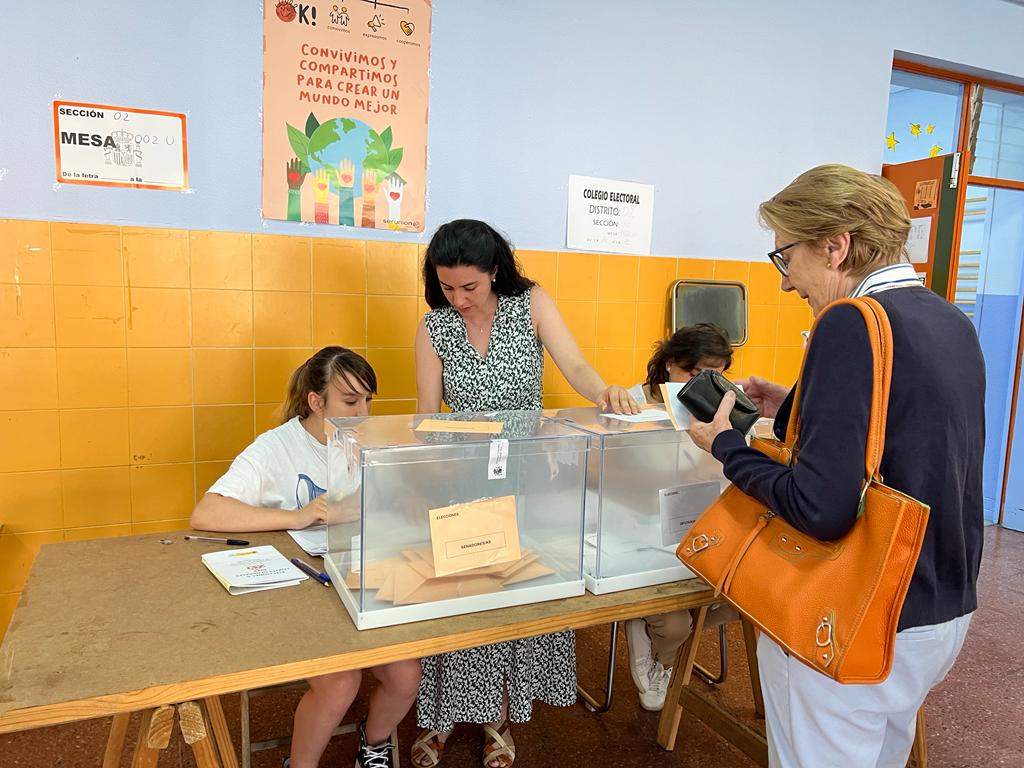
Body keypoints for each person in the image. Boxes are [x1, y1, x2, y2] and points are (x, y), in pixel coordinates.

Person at [687, 164, 984, 768]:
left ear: (835, 245)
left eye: (784, 258)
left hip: (854, 613)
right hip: (938, 607)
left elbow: (820, 507)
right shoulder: (948, 320)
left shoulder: (847, 323)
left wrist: (727, 448)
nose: (786, 282)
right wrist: (795, 404)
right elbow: (909, 437)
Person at [411, 218, 638, 768]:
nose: (459, 299)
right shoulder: (434, 325)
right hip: (465, 478)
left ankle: (499, 717)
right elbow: (425, 411)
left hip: (527, 477)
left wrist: (604, 391)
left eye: (470, 286)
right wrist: (432, 456)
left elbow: (577, 366)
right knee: (461, 596)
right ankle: (442, 715)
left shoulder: (529, 302)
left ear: (494, 272)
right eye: (447, 287)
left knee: (515, 597)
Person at [190, 346, 420, 768]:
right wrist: (296, 516)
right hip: (300, 587)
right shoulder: (276, 447)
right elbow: (206, 512)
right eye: (350, 402)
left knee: (406, 676)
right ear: (316, 402)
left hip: (357, 579)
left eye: (368, 400)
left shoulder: (364, 440)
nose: (363, 412)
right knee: (339, 682)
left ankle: (374, 744)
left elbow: (392, 502)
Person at [623, 323, 740, 711]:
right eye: (697, 373)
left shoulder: (720, 407)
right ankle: (664, 650)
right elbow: (601, 478)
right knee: (675, 624)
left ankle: (652, 630)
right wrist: (667, 478)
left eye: (718, 374)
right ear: (671, 363)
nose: (708, 383)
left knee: (741, 599)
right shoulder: (631, 404)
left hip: (697, 533)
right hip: (638, 533)